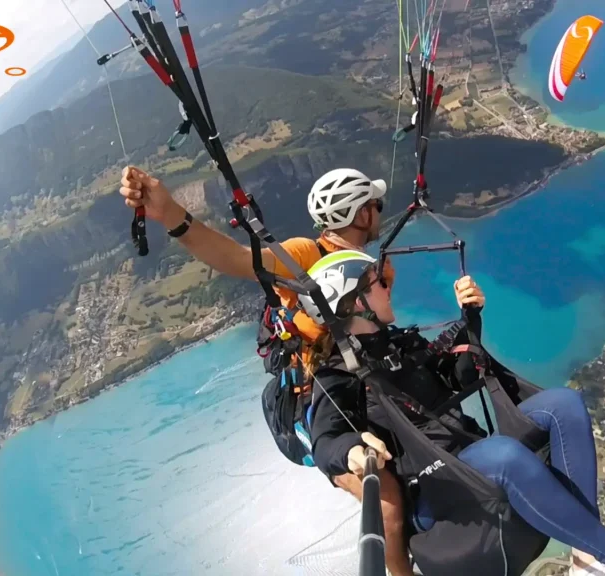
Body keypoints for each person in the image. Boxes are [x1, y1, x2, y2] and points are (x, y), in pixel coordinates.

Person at [298, 250, 605, 576]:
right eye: (378, 283)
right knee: (501, 454)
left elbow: (459, 375)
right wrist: (352, 448)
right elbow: (325, 440)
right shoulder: (338, 377)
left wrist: (470, 318)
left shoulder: (399, 346)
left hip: (467, 457)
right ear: (354, 304)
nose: (388, 287)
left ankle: (587, 556)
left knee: (563, 406)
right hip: (432, 488)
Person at [119, 166, 415, 576]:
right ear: (360, 214)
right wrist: (169, 212)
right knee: (385, 500)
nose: (381, 211)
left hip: (362, 382)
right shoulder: (305, 255)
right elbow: (237, 259)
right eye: (375, 205)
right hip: (319, 398)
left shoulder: (365, 265)